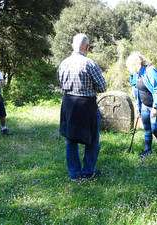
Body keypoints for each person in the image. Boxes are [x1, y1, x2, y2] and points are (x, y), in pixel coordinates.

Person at [58, 33, 106, 181]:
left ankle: (74, 174)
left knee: (71, 139)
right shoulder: (89, 63)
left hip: (68, 103)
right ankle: (87, 172)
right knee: (92, 140)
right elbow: (103, 87)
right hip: (86, 105)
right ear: (86, 47)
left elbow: (60, 82)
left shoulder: (63, 63)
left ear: (73, 45)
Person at [126, 52, 157, 159]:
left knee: (155, 129)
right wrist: (138, 108)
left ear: (137, 63)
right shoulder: (136, 74)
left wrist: (156, 107)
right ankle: (147, 150)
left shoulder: (151, 71)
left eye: (130, 66)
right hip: (145, 105)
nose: (129, 69)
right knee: (147, 129)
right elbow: (137, 91)